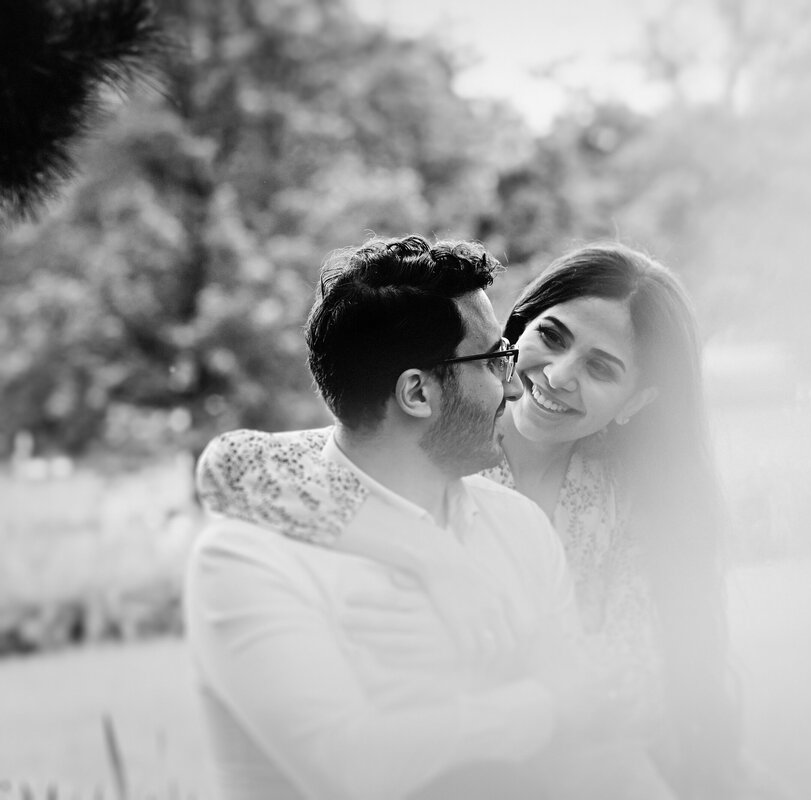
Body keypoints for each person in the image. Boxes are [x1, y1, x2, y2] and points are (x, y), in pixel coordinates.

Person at [196, 243, 742, 797]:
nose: (555, 375)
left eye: (601, 368)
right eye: (551, 337)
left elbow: (630, 685)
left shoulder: (624, 497)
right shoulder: (433, 444)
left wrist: (499, 646)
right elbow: (235, 465)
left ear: (636, 401)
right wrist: (435, 560)